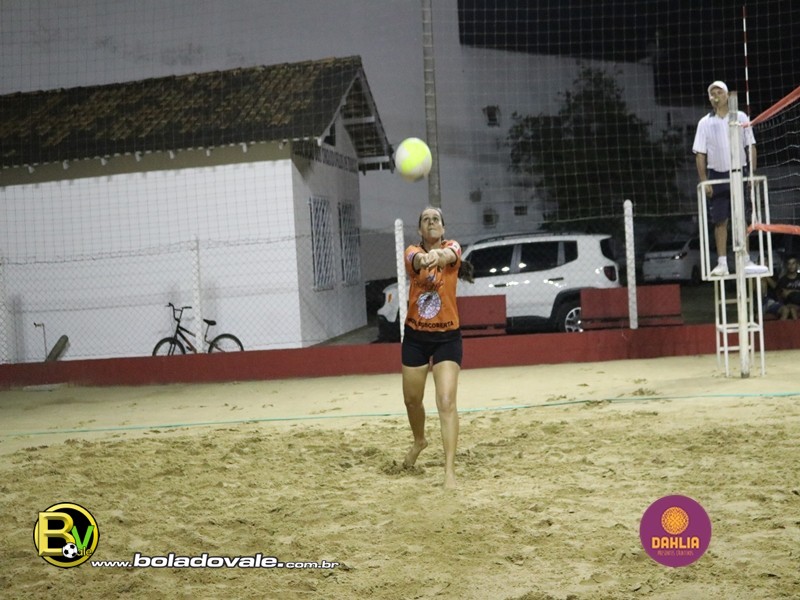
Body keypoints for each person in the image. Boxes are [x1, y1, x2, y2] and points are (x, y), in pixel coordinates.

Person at [400, 206, 473, 489]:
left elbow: (449, 255)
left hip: (447, 338)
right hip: (416, 337)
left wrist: (437, 256)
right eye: (425, 219)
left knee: (446, 401)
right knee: (412, 400)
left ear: (443, 228)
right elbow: (416, 260)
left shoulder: (452, 247)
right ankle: (419, 440)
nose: (431, 222)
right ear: (420, 229)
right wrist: (425, 258)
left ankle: (449, 472)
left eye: (436, 219)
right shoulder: (411, 251)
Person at [693, 80, 768, 277]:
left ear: (727, 95)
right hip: (717, 174)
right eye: (712, 93)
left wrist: (751, 174)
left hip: (739, 172)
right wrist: (704, 180)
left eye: (719, 92)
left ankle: (745, 260)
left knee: (741, 218)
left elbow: (750, 146)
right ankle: (722, 263)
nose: (715, 96)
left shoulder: (740, 116)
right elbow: (700, 154)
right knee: (720, 221)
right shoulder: (704, 122)